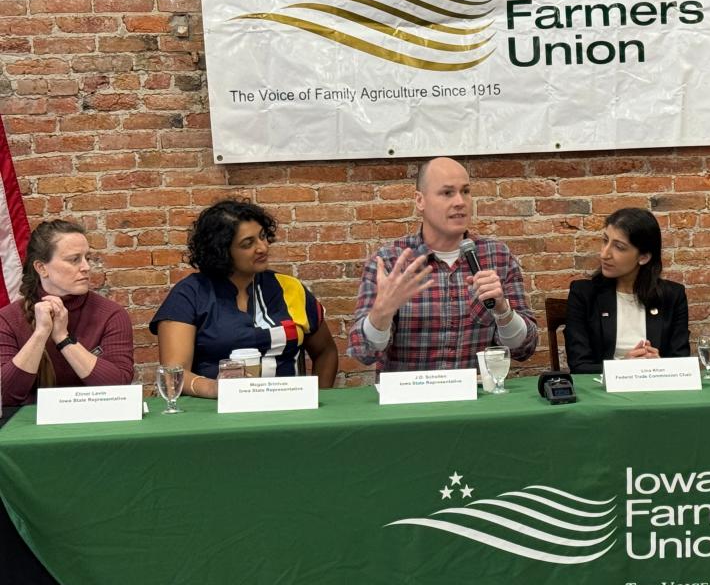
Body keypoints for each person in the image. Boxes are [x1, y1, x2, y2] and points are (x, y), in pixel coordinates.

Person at [348, 156, 538, 373]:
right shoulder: (391, 261)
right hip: (411, 401)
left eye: (465, 191)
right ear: (420, 200)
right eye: (447, 193)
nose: (460, 202)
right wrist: (381, 313)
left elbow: (525, 349)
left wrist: (503, 311)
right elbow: (362, 352)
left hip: (477, 399)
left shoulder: (497, 256)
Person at [152, 199, 338, 397]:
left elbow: (326, 352)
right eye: (248, 243)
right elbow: (173, 375)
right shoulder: (190, 294)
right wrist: (215, 389)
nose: (263, 248)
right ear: (222, 252)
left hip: (288, 409)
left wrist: (318, 399)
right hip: (215, 412)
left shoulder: (290, 288)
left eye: (263, 236)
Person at [0, 220, 135, 407]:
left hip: (95, 423)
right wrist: (41, 334)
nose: (86, 267)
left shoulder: (111, 315)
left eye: (87, 257)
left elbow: (118, 388)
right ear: (41, 268)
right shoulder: (7, 319)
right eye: (74, 259)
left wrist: (63, 338)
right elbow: (5, 396)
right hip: (28, 430)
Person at [565, 208, 690, 373]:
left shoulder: (673, 296)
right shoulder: (583, 294)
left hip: (657, 391)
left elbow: (681, 362)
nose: (604, 254)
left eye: (619, 247)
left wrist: (660, 366)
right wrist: (622, 368)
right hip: (603, 393)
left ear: (643, 257)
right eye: (605, 240)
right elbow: (579, 366)